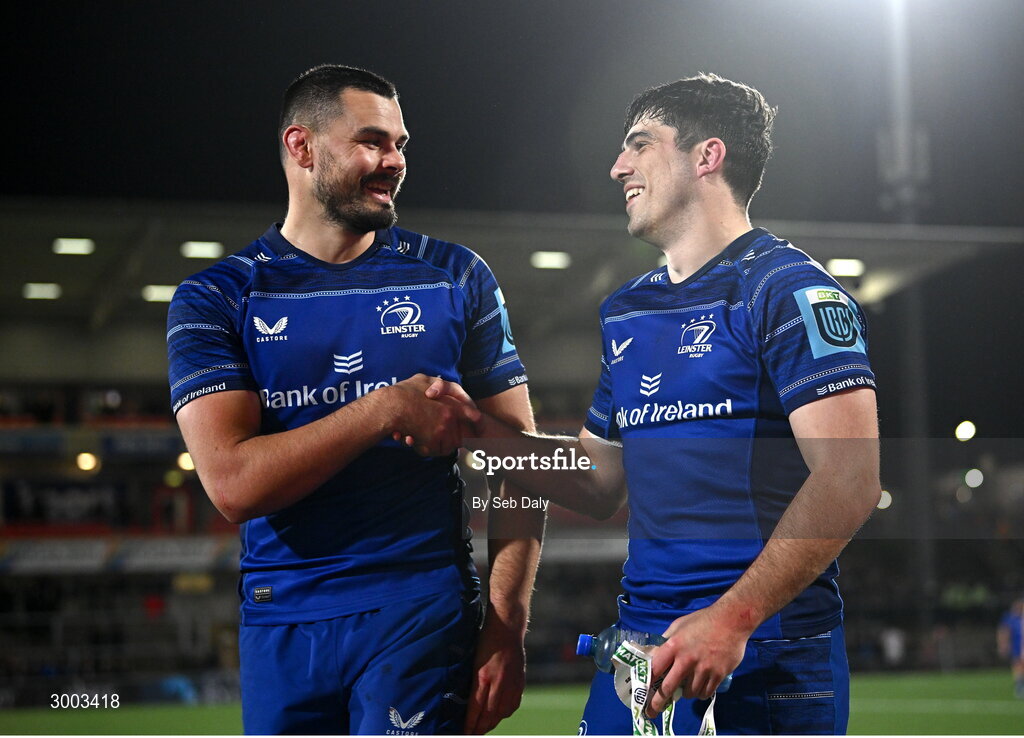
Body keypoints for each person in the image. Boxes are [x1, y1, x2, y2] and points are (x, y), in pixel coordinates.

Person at [422, 73, 880, 734]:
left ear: (707, 156)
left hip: (763, 653)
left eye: (639, 145)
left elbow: (851, 479)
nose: (617, 167)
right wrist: (476, 434)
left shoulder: (788, 291)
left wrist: (732, 619)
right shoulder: (626, 310)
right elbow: (600, 479)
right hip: (638, 653)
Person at [166, 64, 543, 735]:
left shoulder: (456, 276)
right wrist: (383, 411)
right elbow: (231, 484)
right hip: (280, 616)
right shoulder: (216, 297)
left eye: (400, 144)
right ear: (301, 147)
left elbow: (521, 465)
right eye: (372, 141)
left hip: (420, 607)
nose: (394, 161)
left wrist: (507, 627)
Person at [997, 596, 1024, 698]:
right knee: (1018, 665)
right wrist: (1003, 644)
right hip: (1017, 645)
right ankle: (1019, 686)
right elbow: (1004, 631)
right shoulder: (1011, 618)